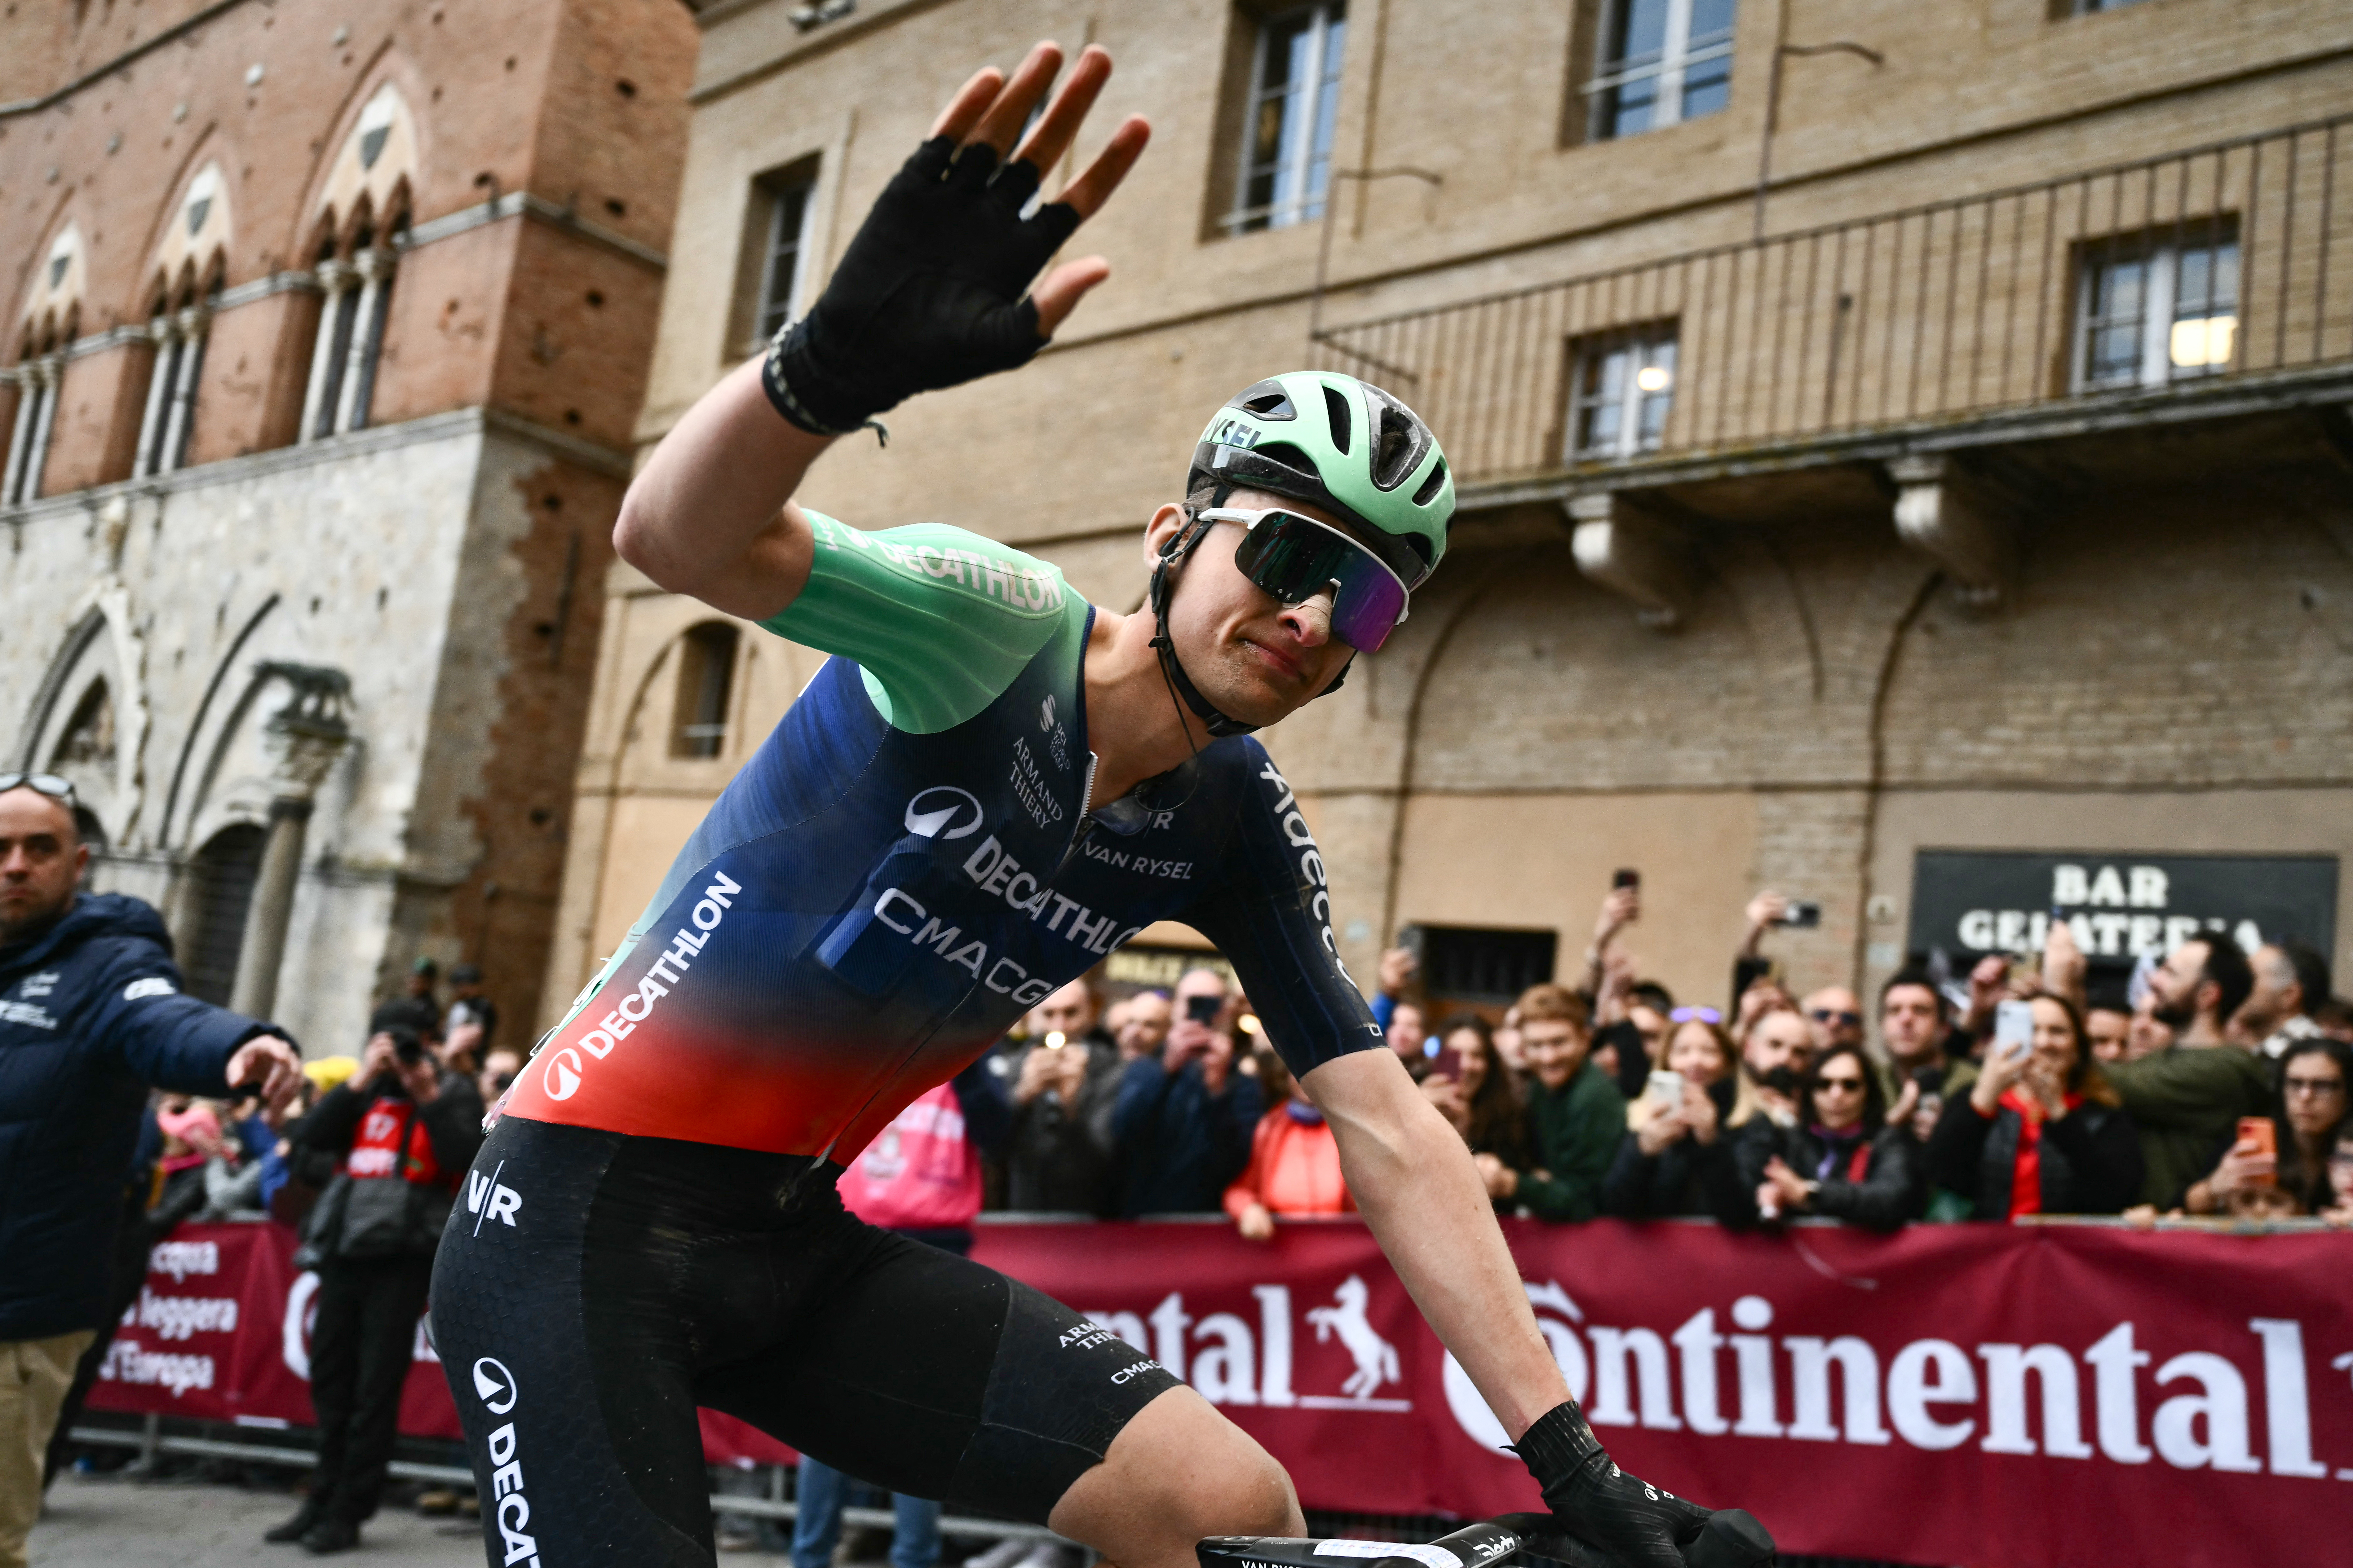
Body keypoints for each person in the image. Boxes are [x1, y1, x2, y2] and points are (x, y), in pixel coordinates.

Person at [428, 47, 1769, 1568]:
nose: (1318, 618)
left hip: (790, 1246)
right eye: (1288, 558)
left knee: (1223, 1513)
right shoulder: (994, 631)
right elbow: (671, 536)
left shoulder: (1228, 817)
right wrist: (825, 377)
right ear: (1170, 534)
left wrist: (1571, 1460)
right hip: (568, 1229)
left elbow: (1390, 1130)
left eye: (1372, 599)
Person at [0, 777, 303, 1568]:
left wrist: (237, 1047)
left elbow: (161, 1017)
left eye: (40, 848)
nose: (16, 865)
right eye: (1, 848)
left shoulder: (108, 965)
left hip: (16, 1315)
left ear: (81, 862)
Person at [272, 1024, 484, 1553]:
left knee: (374, 1389)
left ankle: (348, 1511)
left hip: (404, 1256)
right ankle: (319, 1498)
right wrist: (363, 1076)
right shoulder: (362, 1089)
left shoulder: (451, 1089)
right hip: (345, 1248)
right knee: (331, 1379)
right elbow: (310, 1143)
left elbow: (464, 1154)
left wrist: (427, 1094)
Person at [801, 1070, 1005, 1568]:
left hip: (888, 1238)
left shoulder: (876, 1033)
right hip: (865, 1236)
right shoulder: (944, 1040)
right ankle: (835, 1558)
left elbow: (998, 1131)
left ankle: (846, 1558)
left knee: (850, 1412)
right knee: (868, 1414)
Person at [1925, 993, 2142, 1219]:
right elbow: (1939, 1178)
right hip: (1987, 1250)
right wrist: (1985, 1096)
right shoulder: (1975, 1100)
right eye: (2031, 1030)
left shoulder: (2104, 1116)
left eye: (2057, 1032)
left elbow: (2115, 1197)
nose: (2043, 1042)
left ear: (2077, 1048)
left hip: (2064, 1250)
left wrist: (2059, 1112)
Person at [2103, 935, 2272, 1209]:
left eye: (2170, 973)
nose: (2154, 980)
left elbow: (2111, 1084)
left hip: (2190, 1238)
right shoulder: (2161, 1058)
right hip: (2142, 1231)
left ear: (2207, 996)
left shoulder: (2226, 1068)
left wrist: (2064, 989)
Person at [1114, 969, 1264, 1214]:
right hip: (1142, 1218)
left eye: (1210, 1003)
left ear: (1225, 1011)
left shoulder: (1242, 1080)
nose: (1200, 1013)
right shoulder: (1143, 1068)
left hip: (1208, 1224)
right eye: (1192, 1002)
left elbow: (1239, 1161)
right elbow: (1124, 1133)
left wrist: (1217, 1090)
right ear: (1175, 1009)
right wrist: (1167, 1071)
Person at [1478, 985, 1625, 1221]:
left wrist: (1511, 1184)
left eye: (1559, 1042)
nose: (1549, 1057)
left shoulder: (1595, 1099)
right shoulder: (1540, 1087)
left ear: (1584, 1040)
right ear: (1523, 1047)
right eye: (1536, 1045)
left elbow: (1583, 1202)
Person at [1742, 1044, 1921, 1231]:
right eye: (1824, 1085)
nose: (1836, 1095)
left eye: (1850, 1085)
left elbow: (1892, 1199)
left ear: (1868, 1092)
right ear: (1811, 1092)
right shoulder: (1791, 1140)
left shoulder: (1888, 1141)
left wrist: (1811, 1194)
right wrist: (1776, 1198)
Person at [2179, 1036, 2351, 1218]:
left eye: (2323, 1086)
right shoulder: (2253, 1139)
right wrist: (2214, 1187)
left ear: (2349, 1092)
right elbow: (2181, 1206)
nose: (2305, 1096)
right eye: (2295, 1083)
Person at [1603, 1016, 1749, 1222]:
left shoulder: (1747, 1121)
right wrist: (1643, 1151)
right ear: (1667, 1061)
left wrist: (1711, 1144)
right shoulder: (1640, 1117)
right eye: (1682, 1051)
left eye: (1709, 1051)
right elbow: (1615, 1206)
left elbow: (1741, 1213)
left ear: (1728, 1062)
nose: (1695, 1061)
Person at [1002, 980, 1124, 1214]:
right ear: (1032, 1017)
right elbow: (992, 1148)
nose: (1060, 1026)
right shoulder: (1015, 1067)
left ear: (1090, 1013)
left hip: (1091, 1213)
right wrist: (1023, 1094)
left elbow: (1109, 1157)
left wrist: (1071, 1104)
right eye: (1048, 1014)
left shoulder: (1113, 1070)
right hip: (1024, 1210)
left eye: (1071, 1013)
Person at [1225, 1053, 1350, 1238]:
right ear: (1287, 1077)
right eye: (1298, 1072)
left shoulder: (1348, 1129)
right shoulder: (1269, 1128)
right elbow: (1239, 1191)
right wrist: (1248, 1210)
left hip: (1341, 1247)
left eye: (1318, 1071)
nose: (1308, 1079)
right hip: (1281, 1250)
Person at [1420, 1014, 1530, 1185]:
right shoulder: (1415, 1095)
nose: (1466, 1065)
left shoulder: (1508, 1114)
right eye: (1455, 1055)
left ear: (1490, 1064)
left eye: (1477, 1055)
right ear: (1440, 1059)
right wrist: (1415, 1111)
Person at [2235, 941, 2330, 1059]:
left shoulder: (2307, 1058)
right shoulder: (2263, 1053)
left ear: (2289, 995)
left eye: (2250, 978)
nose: (2237, 985)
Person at [1733, 1003, 1813, 1130]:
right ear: (1749, 1048)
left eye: (1799, 1052)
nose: (1785, 1058)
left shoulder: (1814, 1115)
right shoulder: (1723, 1099)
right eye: (1775, 1045)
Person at [445, 964, 498, 1054]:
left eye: (462, 986)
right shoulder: (460, 1004)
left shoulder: (483, 1007)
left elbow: (481, 1034)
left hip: (471, 1055)